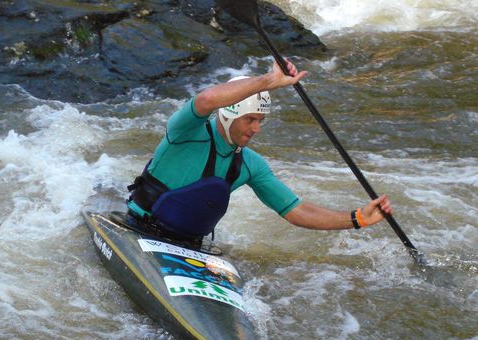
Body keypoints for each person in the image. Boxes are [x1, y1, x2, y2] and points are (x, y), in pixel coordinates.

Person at [126, 59, 393, 249]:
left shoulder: (250, 164)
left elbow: (295, 210)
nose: (256, 129)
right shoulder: (185, 132)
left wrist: (357, 218)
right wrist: (268, 81)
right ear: (230, 114)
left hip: (190, 245)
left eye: (261, 120)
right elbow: (206, 100)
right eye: (251, 119)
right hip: (139, 229)